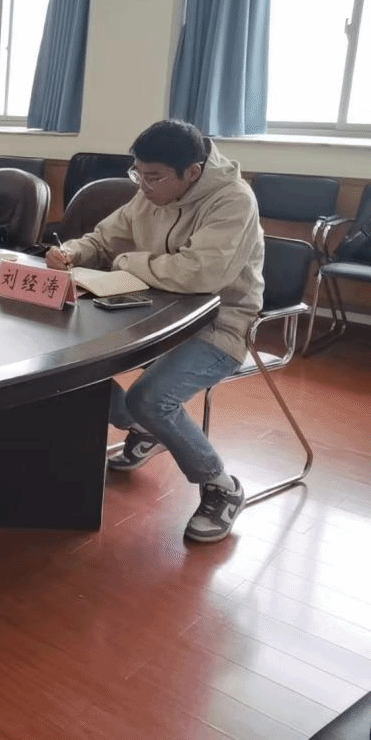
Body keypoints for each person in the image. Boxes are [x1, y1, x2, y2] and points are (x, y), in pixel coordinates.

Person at [46, 119, 262, 543]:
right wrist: (71, 252)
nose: (143, 186)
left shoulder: (233, 201)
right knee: (70, 367)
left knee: (150, 398)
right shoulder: (151, 192)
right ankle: (146, 428)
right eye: (138, 174)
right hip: (151, 315)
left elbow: (201, 273)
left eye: (154, 177)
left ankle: (221, 485)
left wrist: (127, 262)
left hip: (220, 325)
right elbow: (104, 238)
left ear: (193, 172)